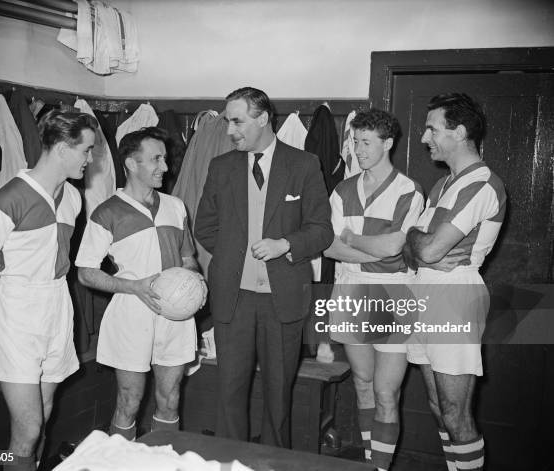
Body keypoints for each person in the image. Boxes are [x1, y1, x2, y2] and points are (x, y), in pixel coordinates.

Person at [194, 87, 333, 448]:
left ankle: (274, 462)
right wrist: (233, 257)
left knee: (278, 398)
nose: (229, 130)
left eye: (237, 121)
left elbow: (322, 230)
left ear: (262, 118)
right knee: (229, 394)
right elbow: (204, 227)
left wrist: (285, 245)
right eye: (228, 122)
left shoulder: (304, 164)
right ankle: (230, 461)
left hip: (282, 301)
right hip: (232, 300)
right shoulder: (221, 167)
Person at [0, 110, 98, 471]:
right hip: (19, 309)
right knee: (28, 427)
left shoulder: (72, 197)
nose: (91, 159)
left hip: (58, 304)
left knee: (44, 415)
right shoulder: (6, 198)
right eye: (86, 150)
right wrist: (13, 298)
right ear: (61, 148)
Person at [403, 93, 506, 471]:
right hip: (424, 289)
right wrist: (417, 238)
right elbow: (415, 249)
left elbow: (427, 250)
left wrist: (416, 239)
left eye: (432, 128)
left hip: (453, 295)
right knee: (437, 407)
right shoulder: (442, 185)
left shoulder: (481, 184)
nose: (425, 137)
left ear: (459, 131)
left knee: (455, 411)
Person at [75, 127, 198, 441]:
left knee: (170, 399)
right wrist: (133, 287)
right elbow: (85, 272)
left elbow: (188, 259)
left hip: (176, 317)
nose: (166, 167)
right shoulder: (106, 212)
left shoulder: (176, 206)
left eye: (165, 159)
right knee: (129, 401)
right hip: (132, 315)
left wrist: (195, 282)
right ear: (130, 163)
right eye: (156, 159)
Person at [323, 109, 424, 470]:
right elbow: (327, 247)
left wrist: (350, 238)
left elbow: (393, 248)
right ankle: (370, 462)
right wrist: (371, 248)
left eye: (366, 142)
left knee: (385, 392)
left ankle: (381, 466)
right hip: (350, 291)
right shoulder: (342, 190)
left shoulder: (408, 191)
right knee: (363, 384)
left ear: (388, 143)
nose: (358, 149)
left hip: (393, 294)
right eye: (355, 141)